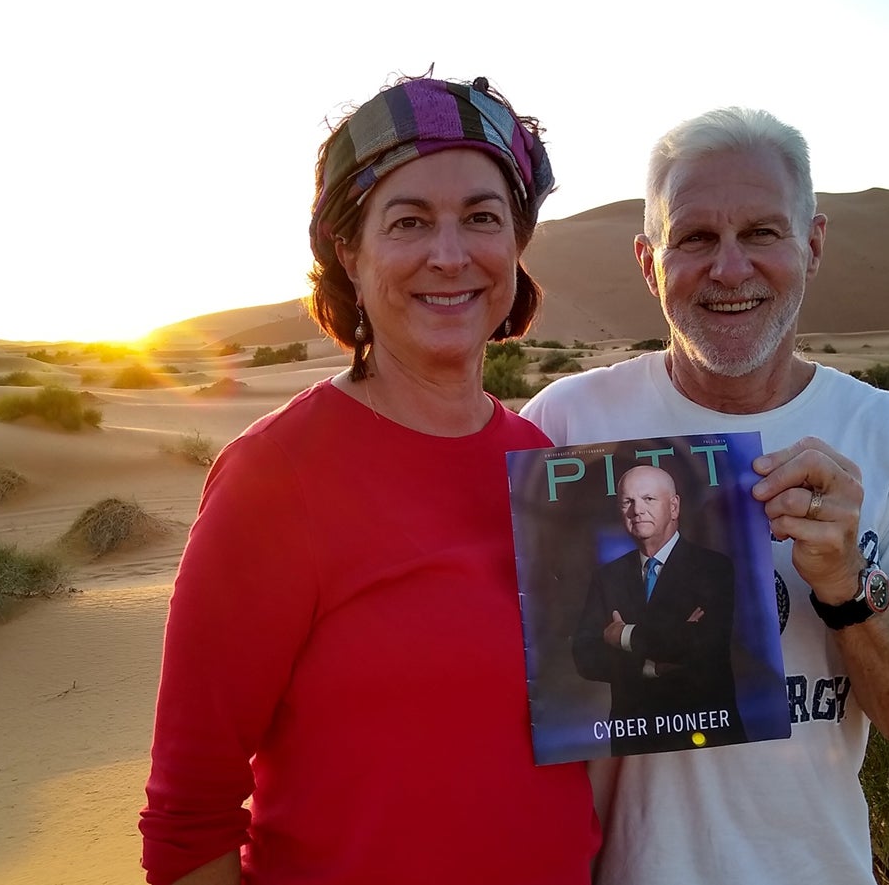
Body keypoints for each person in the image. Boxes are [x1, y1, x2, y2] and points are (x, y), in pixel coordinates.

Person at [138, 76, 600, 885]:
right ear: (349, 253)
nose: (450, 255)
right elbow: (190, 812)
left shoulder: (542, 463)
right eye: (409, 220)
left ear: (516, 245)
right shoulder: (276, 478)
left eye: (482, 217)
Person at [520, 106, 889, 884]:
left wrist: (848, 587)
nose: (730, 269)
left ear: (812, 245)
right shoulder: (564, 425)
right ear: (648, 262)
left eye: (764, 233)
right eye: (695, 238)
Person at [572, 464, 743, 754]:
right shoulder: (607, 576)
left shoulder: (713, 568)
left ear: (674, 507)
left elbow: (702, 646)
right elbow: (585, 655)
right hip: (633, 736)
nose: (636, 510)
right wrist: (653, 665)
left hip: (708, 733)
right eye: (627, 502)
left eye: (648, 499)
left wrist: (623, 636)